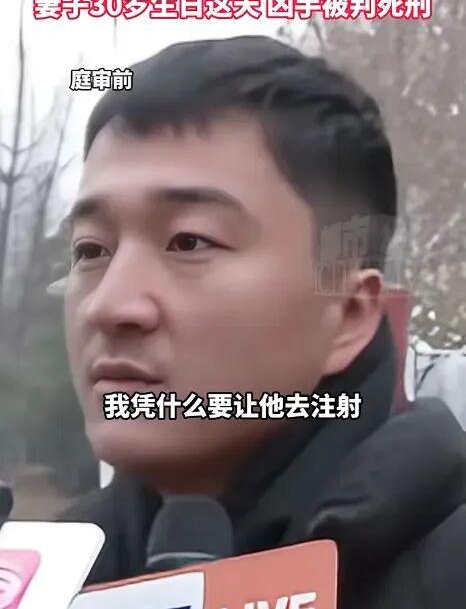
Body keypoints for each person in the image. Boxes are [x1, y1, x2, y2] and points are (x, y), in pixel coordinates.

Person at [60, 36, 466, 608]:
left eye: (189, 241)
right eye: (90, 250)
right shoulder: (49, 579)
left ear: (347, 315)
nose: (107, 306)